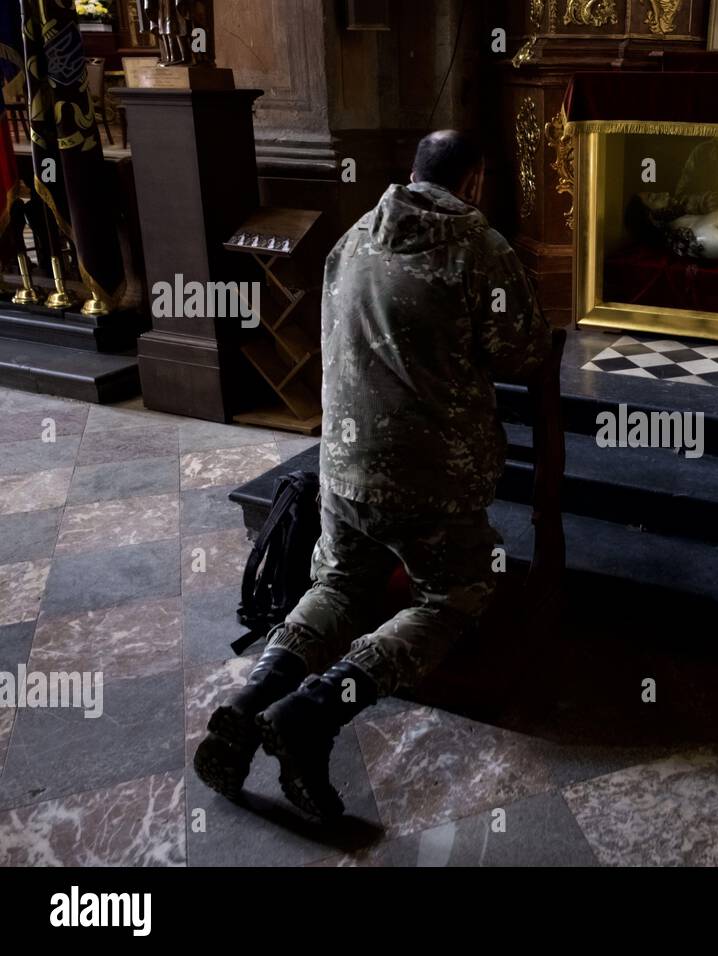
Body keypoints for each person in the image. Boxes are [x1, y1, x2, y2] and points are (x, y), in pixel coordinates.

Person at [196, 130, 552, 819]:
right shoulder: (480, 249)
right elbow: (525, 349)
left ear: (412, 173)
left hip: (342, 468)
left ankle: (248, 700)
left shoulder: (353, 236)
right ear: (473, 183)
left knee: (341, 584)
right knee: (451, 597)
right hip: (433, 478)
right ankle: (315, 714)